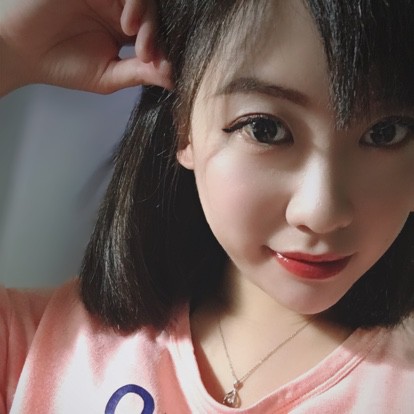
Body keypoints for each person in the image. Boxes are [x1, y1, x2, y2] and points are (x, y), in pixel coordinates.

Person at [1, 0, 414, 412]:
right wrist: (8, 50)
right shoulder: (46, 347)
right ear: (184, 128)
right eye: (265, 129)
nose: (321, 213)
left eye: (386, 132)